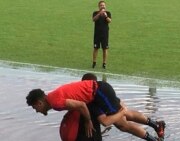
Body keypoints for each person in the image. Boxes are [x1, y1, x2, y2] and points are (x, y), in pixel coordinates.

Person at [26, 76, 165, 141]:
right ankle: (156, 125)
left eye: (34, 108)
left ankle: (153, 136)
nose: (36, 111)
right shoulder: (52, 98)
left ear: (39, 103)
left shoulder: (55, 103)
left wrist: (87, 121)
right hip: (94, 96)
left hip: (99, 92)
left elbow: (81, 105)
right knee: (124, 116)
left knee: (121, 124)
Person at [92, 1, 111, 69]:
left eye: (103, 5)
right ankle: (94, 62)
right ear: (99, 6)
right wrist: (99, 13)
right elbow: (94, 19)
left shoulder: (108, 13)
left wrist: (106, 16)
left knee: (105, 48)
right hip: (97, 34)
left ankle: (104, 63)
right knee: (96, 48)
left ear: (105, 6)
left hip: (105, 34)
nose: (102, 6)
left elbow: (109, 21)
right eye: (101, 5)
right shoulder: (95, 13)